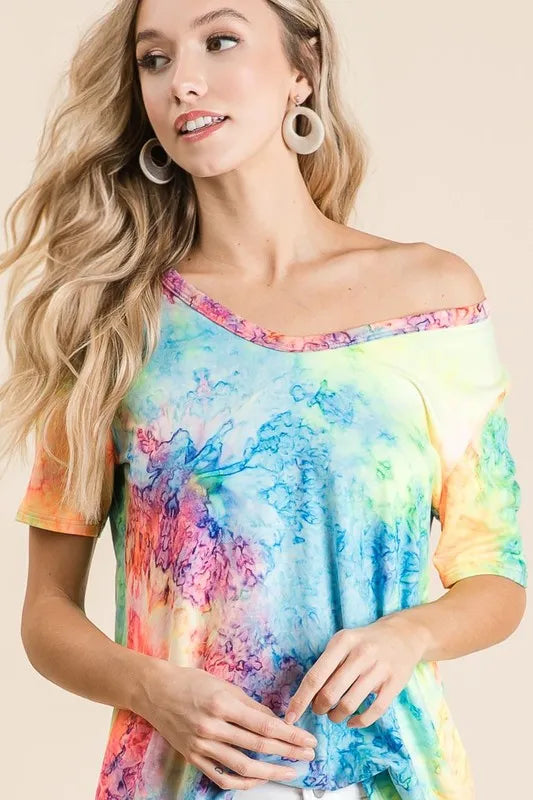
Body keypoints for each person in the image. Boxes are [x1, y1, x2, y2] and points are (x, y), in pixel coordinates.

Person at [0, 0, 527, 799]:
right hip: (179, 780)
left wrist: (408, 635)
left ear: (300, 70)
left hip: (387, 776)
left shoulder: (432, 296)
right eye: (154, 60)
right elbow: (45, 617)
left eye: (219, 42)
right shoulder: (112, 322)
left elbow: (495, 578)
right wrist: (152, 689)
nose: (183, 82)